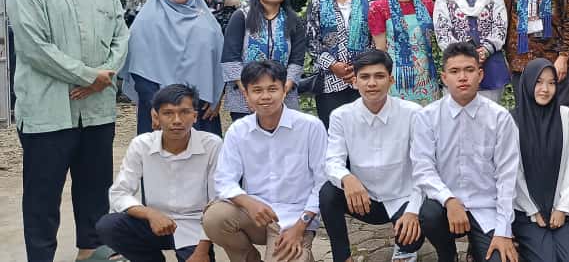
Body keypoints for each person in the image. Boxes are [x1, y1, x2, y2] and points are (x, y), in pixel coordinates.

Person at [8, 0, 130, 261]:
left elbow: (121, 38)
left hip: (97, 112)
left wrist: (103, 76)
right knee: (43, 194)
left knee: (95, 187)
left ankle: (90, 251)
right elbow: (35, 48)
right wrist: (89, 76)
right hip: (48, 112)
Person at [203, 61, 327, 262]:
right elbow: (224, 180)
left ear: (284, 90)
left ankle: (301, 251)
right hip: (255, 215)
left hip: (296, 219)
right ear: (246, 94)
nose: (265, 96)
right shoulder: (238, 131)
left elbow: (322, 182)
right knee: (215, 217)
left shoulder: (310, 127)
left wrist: (300, 226)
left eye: (272, 89)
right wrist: (248, 202)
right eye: (257, 90)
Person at [411, 42, 520, 262]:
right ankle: (448, 254)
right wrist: (449, 200)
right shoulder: (427, 117)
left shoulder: (499, 118)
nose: (462, 77)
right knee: (429, 214)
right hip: (445, 206)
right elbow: (423, 169)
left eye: (469, 70)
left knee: (499, 258)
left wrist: (503, 232)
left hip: (486, 207)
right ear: (444, 78)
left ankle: (476, 248)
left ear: (480, 74)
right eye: (454, 71)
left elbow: (507, 176)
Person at [319, 50, 424, 262]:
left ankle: (405, 246)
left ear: (391, 80)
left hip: (403, 197)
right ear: (355, 81)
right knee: (328, 193)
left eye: (379, 76)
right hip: (363, 200)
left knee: (413, 237)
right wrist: (347, 178)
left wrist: (413, 211)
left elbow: (425, 166)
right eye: (365, 77)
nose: (372, 83)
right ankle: (342, 257)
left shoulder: (413, 113)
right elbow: (332, 161)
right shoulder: (341, 116)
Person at [96, 84, 221, 262]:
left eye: (184, 112)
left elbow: (217, 201)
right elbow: (119, 193)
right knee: (109, 225)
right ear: (156, 116)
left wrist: (202, 251)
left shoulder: (212, 145)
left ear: (195, 116)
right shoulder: (141, 144)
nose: (177, 120)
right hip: (153, 223)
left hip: (196, 227)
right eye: (168, 113)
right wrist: (150, 214)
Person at [119, 0, 224, 136]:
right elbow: (140, 71)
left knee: (202, 152)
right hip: (160, 110)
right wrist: (158, 107)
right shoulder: (146, 22)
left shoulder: (207, 22)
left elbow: (219, 63)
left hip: (200, 110)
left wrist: (217, 96)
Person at [510, 58, 569, 262]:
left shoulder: (566, 116)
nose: (545, 89)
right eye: (539, 82)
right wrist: (533, 211)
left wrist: (562, 208)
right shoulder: (512, 121)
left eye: (551, 83)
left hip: (562, 208)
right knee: (546, 258)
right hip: (527, 211)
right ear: (527, 83)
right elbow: (514, 173)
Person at [221, 0, 306, 121]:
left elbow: (297, 60)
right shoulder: (241, 17)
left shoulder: (293, 20)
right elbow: (230, 58)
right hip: (244, 99)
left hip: (283, 98)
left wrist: (282, 92)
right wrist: (249, 94)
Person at [306, 0, 374, 128]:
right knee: (333, 134)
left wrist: (358, 66)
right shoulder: (318, 1)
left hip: (363, 81)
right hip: (329, 82)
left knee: (363, 133)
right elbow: (311, 41)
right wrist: (332, 65)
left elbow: (375, 40)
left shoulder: (370, 0)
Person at [434, 0, 509, 102]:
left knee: (490, 116)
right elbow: (442, 32)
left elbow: (500, 27)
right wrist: (465, 55)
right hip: (457, 68)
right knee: (456, 116)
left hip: (491, 70)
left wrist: (485, 50)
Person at [370, 0, 440, 105]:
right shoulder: (379, 7)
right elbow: (381, 51)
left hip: (427, 77)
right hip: (397, 80)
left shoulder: (427, 3)